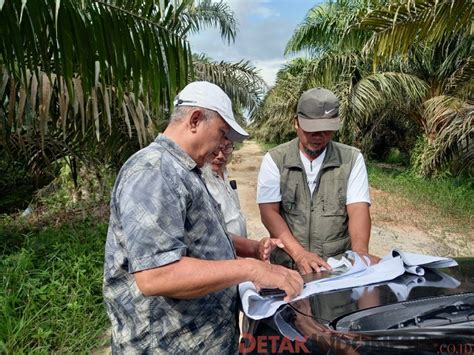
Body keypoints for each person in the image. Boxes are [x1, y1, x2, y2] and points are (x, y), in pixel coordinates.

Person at [103, 81, 304, 354]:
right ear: (195, 120)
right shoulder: (154, 171)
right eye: (222, 134)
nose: (223, 146)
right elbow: (156, 275)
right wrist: (253, 269)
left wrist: (251, 249)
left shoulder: (186, 171)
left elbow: (202, 237)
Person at [257, 87, 379, 274]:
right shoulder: (275, 159)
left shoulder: (351, 159)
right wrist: (299, 254)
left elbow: (358, 209)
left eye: (326, 130)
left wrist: (360, 254)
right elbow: (269, 212)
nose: (318, 136)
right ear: (295, 123)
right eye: (311, 130)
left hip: (335, 267)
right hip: (288, 267)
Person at [202, 138, 247, 237]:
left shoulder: (224, 173)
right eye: (216, 148)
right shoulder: (200, 181)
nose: (221, 156)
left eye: (227, 148)